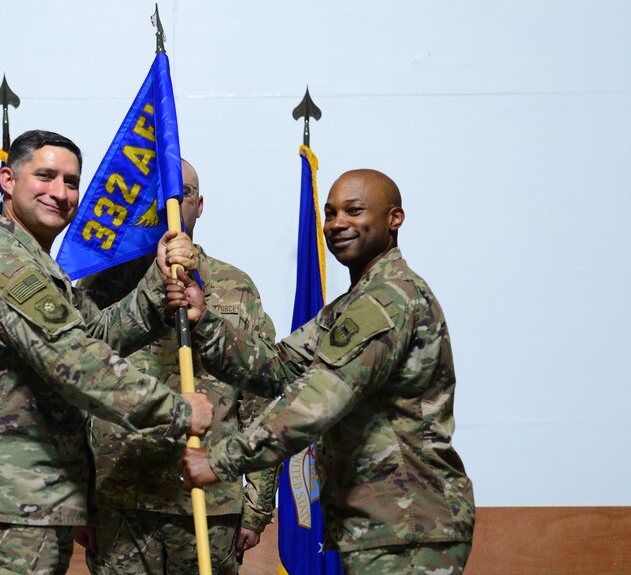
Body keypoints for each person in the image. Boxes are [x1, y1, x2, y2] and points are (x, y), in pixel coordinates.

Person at [0, 130, 214, 575]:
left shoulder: (39, 268)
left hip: (29, 500)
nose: (60, 193)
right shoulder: (5, 265)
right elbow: (79, 362)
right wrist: (178, 411)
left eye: (71, 181)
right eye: (45, 176)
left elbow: (94, 333)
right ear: (8, 179)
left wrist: (159, 284)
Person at [174, 169, 476, 574]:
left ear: (394, 218)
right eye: (330, 214)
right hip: (382, 524)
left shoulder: (389, 300)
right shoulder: (352, 304)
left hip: (409, 526)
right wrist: (204, 319)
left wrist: (221, 461)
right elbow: (276, 367)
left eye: (354, 211)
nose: (337, 224)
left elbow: (318, 399)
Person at [77, 159, 278, 575]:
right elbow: (76, 394)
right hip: (120, 502)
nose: (171, 203)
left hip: (209, 501)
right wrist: (78, 501)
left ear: (199, 204)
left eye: (182, 193)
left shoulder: (235, 287)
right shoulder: (102, 287)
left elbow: (259, 400)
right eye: (160, 195)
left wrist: (257, 505)